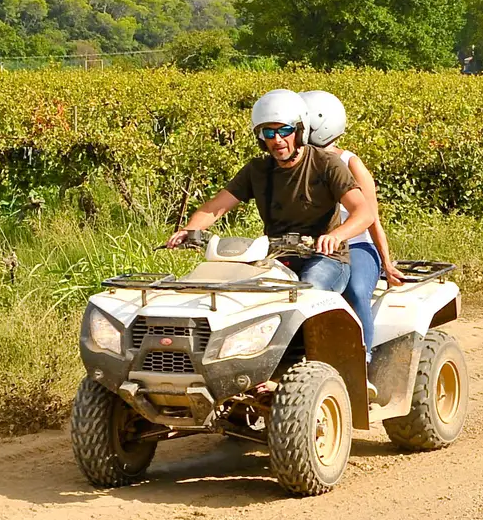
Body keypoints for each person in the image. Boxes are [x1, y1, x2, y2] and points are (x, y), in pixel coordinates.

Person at [165, 89, 374, 301]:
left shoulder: (326, 164)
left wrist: (335, 236)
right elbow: (214, 207)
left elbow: (364, 213)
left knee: (309, 290)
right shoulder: (257, 170)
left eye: (284, 130)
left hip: (325, 257)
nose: (277, 139)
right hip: (275, 256)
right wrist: (189, 230)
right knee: (235, 295)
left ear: (300, 131)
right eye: (269, 133)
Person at [299, 90, 407, 356]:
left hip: (356, 245)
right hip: (313, 246)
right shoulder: (296, 164)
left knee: (357, 291)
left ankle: (363, 363)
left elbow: (372, 218)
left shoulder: (351, 163)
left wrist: (387, 263)